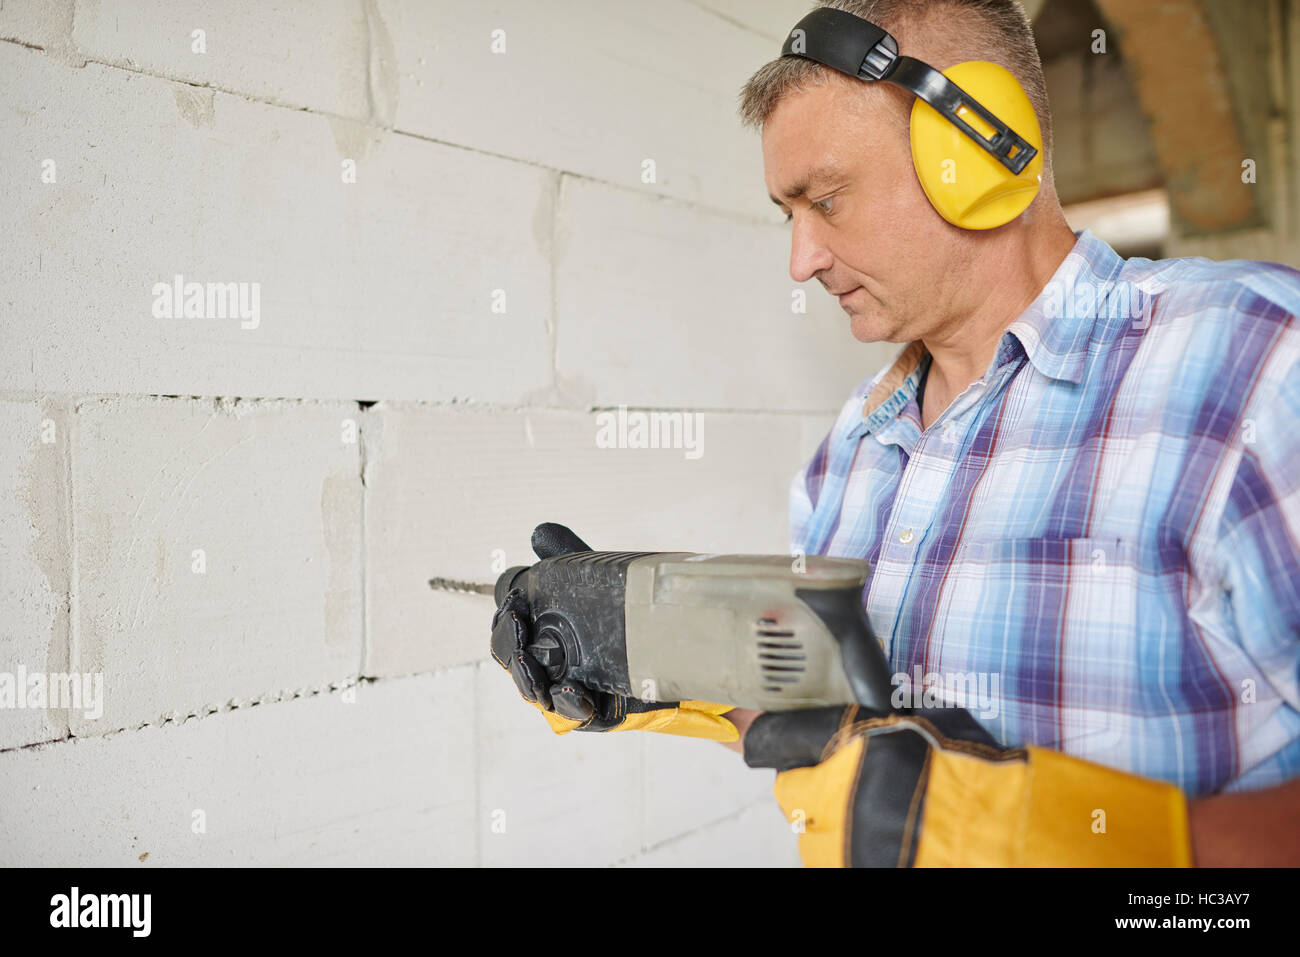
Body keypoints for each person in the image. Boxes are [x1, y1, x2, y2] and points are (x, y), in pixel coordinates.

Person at [492, 0, 1300, 866]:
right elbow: (846, 742)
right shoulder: (854, 448)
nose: (800, 259)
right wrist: (644, 669)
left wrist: (1074, 841)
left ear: (983, 148)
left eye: (827, 199)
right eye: (786, 213)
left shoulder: (1255, 361)